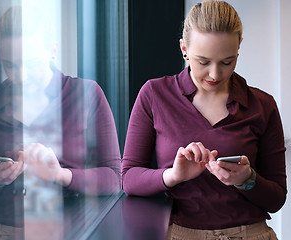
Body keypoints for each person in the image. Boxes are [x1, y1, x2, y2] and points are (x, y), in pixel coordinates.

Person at [121, 1, 287, 239]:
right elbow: (129, 179)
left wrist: (247, 180)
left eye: (227, 62)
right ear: (184, 48)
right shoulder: (154, 95)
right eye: (203, 62)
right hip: (178, 234)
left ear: (239, 48)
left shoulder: (263, 105)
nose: (215, 74)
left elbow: (276, 198)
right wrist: (173, 175)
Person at [0, 5, 121, 240]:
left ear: (53, 50)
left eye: (31, 63)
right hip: (1, 233)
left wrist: (61, 175)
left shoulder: (87, 95)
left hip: (72, 231)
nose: (20, 76)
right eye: (10, 65)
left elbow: (115, 179)